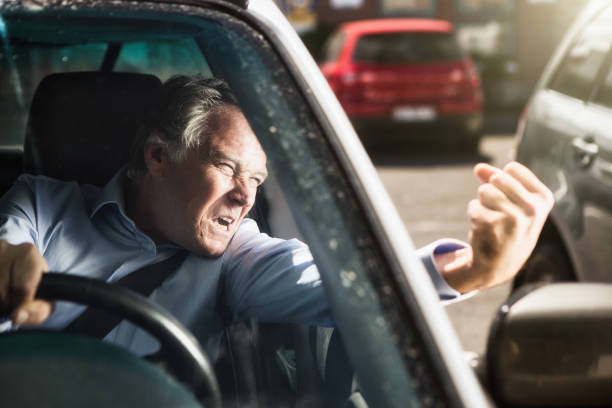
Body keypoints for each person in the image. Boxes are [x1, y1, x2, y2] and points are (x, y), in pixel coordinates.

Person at [0, 75, 554, 357]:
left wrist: (472, 271)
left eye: (257, 179)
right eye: (227, 166)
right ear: (159, 156)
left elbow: (352, 285)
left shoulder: (239, 256)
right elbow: (8, 249)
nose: (245, 197)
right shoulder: (42, 205)